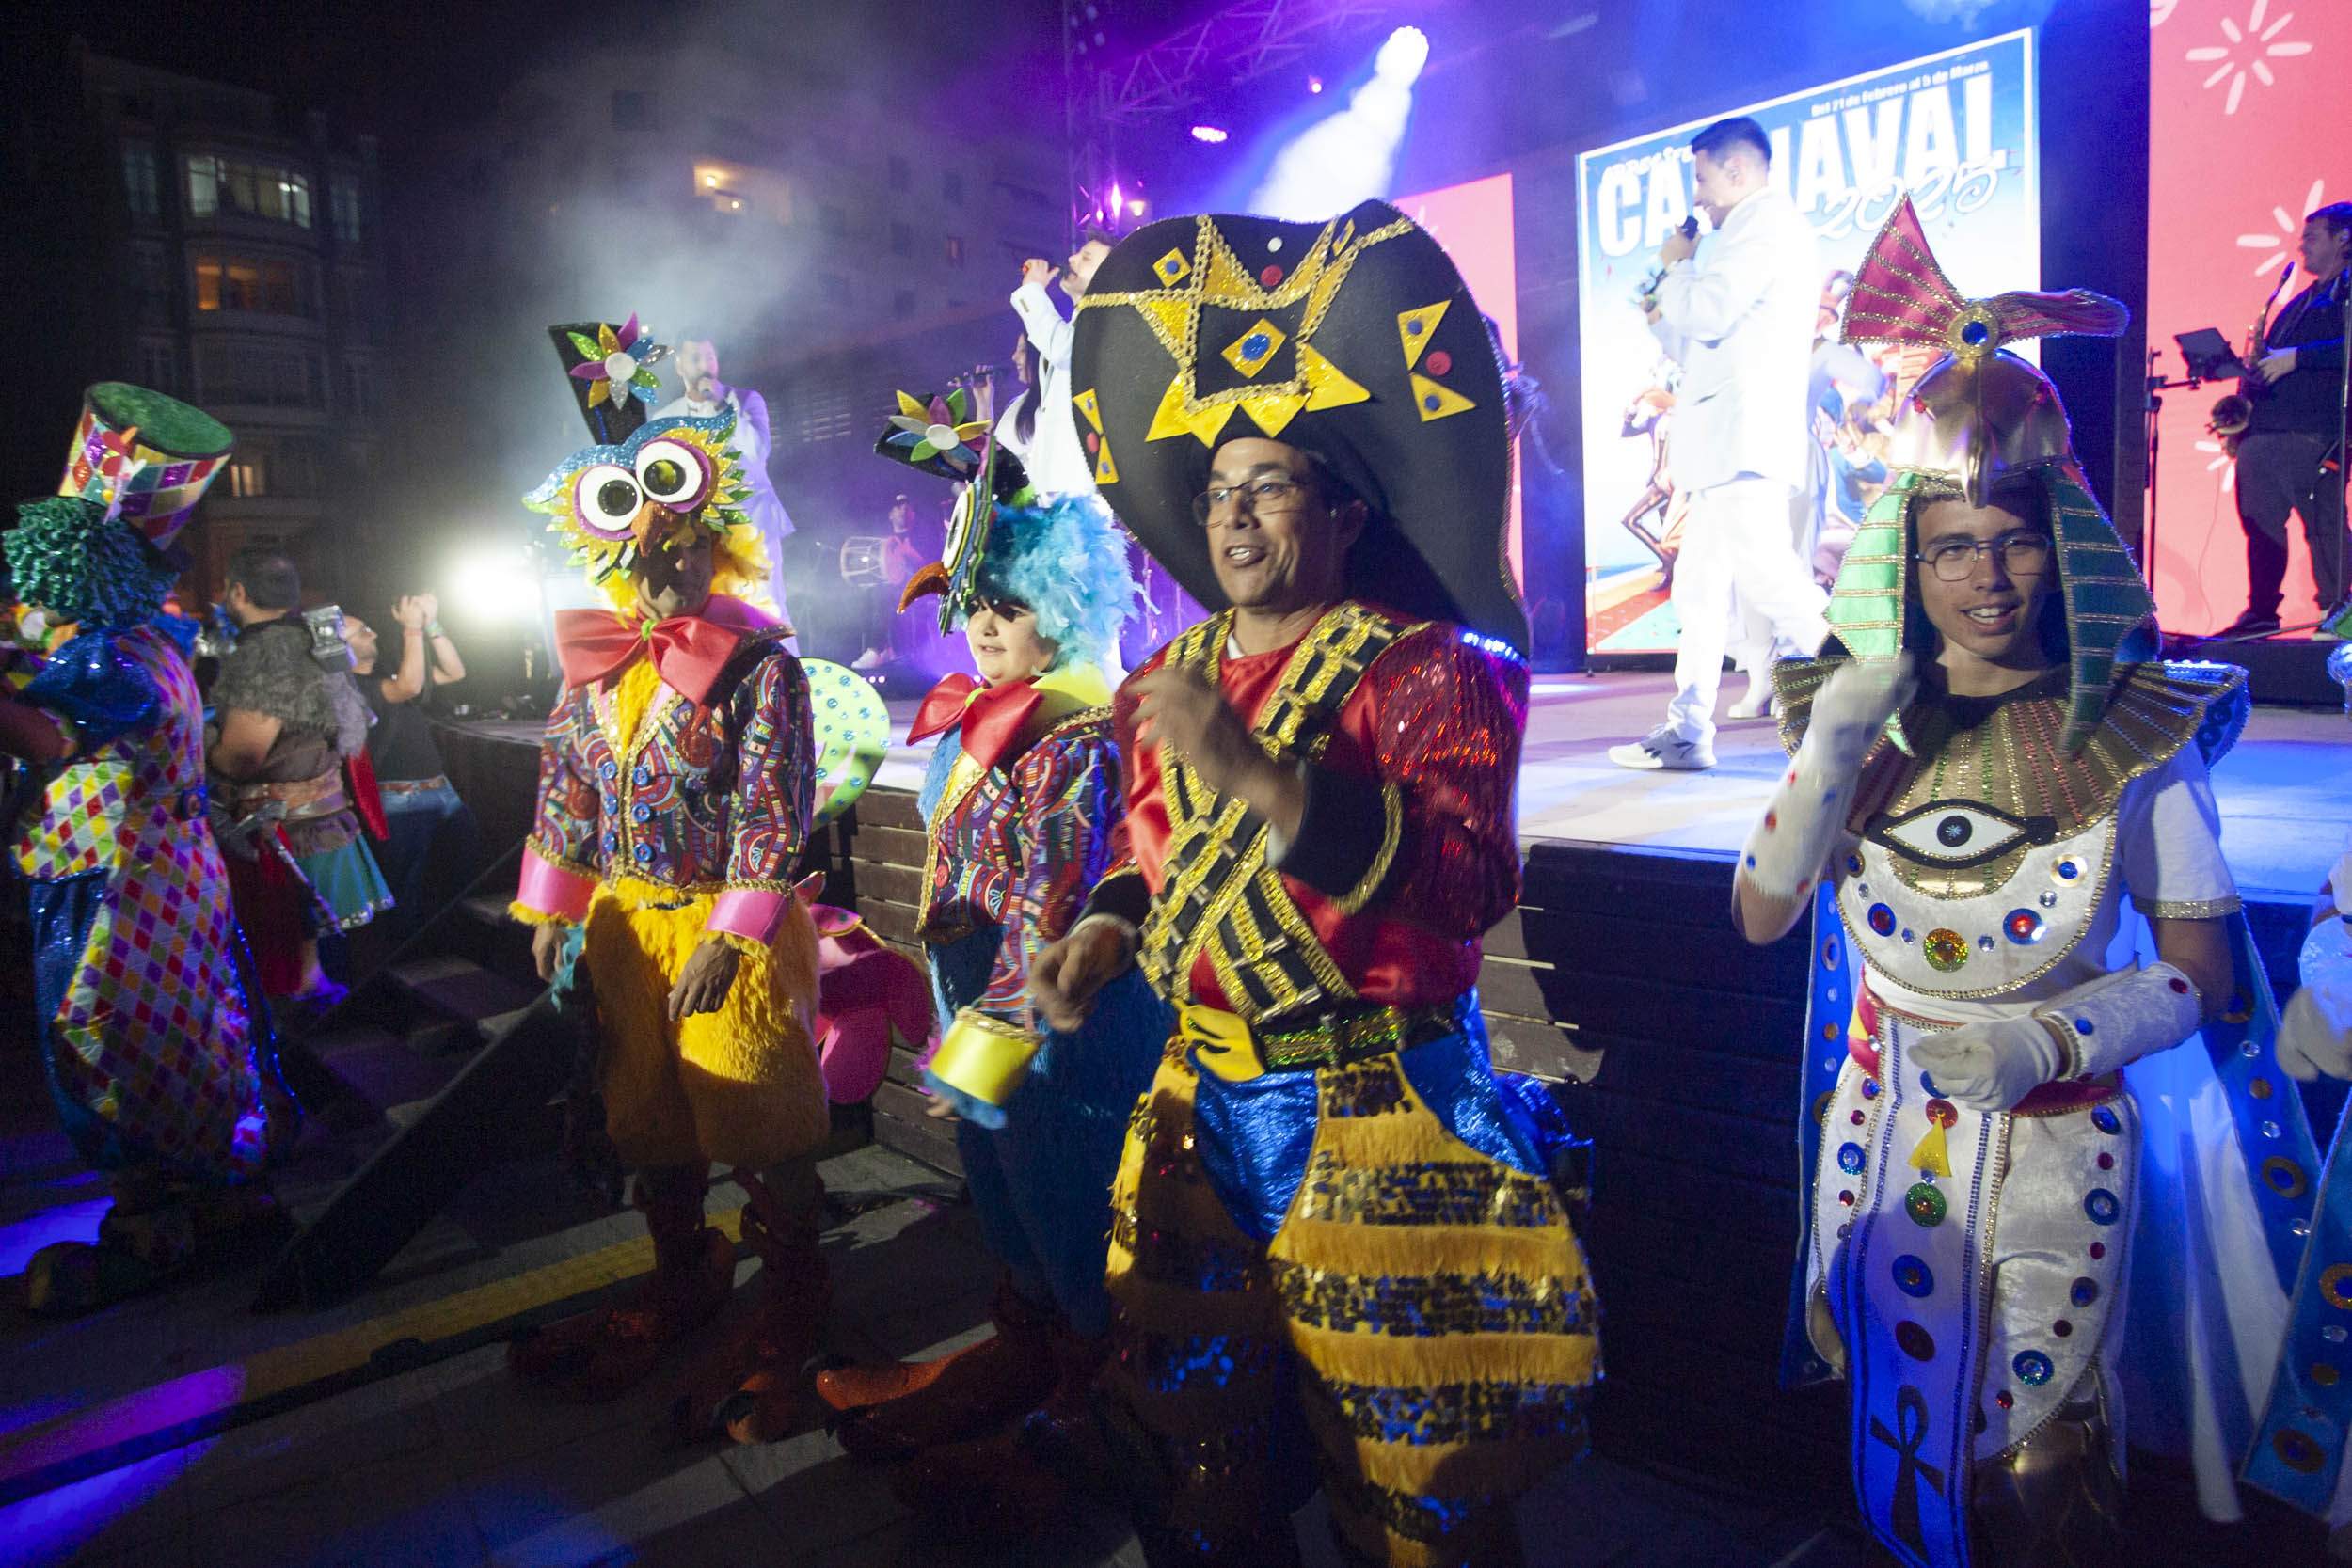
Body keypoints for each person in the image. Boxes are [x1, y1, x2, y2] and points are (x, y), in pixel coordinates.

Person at [1737, 196, 2323, 1564]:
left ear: (2063, 543)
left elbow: (2203, 973)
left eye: (2014, 536)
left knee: (2043, 1465)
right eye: (1953, 543)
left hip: (2064, 1145)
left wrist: (2047, 1038)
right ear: (1909, 553)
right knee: (1903, 1451)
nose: (1988, 574)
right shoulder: (1856, 720)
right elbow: (1761, 915)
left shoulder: (2137, 728)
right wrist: (1828, 753)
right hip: (1878, 1137)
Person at [1035, 201, 1598, 1567]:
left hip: (1381, 1113)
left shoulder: (1434, 667)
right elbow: (1150, 854)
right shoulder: (1164, 680)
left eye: (1271, 485)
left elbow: (1467, 878)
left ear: (1345, 511)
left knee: (1418, 1485)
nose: (1234, 514)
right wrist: (1106, 925)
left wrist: (1269, 781)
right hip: (1198, 1106)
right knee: (1198, 1460)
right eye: (1217, 490)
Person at [814, 416, 1168, 1522]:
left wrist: (978, 1046)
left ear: (1063, 604)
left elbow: (1049, 910)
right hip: (981, 1011)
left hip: (1054, 1032)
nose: (980, 624)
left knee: (1069, 1204)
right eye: (970, 602)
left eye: (1007, 604)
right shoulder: (993, 722)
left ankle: (1093, 1408)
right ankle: (1025, 1354)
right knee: (1008, 1199)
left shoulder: (1075, 734)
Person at [505, 314, 831, 1446]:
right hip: (623, 931)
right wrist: (552, 907)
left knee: (758, 1117)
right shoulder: (589, 669)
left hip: (721, 934)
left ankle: (796, 1298)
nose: (661, 566)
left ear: (718, 547)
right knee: (649, 1117)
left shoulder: (760, 668)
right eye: (642, 551)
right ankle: (685, 1268)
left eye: (684, 546)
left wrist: (732, 936)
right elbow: (565, 789)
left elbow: (775, 812)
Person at [7, 384, 295, 1312]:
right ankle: (214, 1194)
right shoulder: (136, 641)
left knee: (120, 1034)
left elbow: (47, 738)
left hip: (126, 891)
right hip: (146, 874)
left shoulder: (119, 660)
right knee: (176, 1026)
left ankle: (170, 1212)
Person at [1609, 116, 1827, 771]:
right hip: (1722, 446)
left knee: (1767, 574)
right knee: (1699, 592)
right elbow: (1699, 344)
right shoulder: (1749, 232)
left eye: (1702, 179)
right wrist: (1659, 310)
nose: (1698, 197)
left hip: (1743, 442)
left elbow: (1707, 310)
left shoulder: (1766, 224)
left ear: (1737, 169)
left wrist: (1677, 266)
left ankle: (1873, 685)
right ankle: (1687, 731)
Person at [208, 546, 392, 1004]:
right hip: (317, 821)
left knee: (294, 981)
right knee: (322, 968)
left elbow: (242, 757)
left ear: (238, 592)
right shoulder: (313, 642)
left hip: (285, 838)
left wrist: (202, 739)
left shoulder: (268, 654)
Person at [2217, 201, 2350, 638]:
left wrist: (2299, 357)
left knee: (2324, 527)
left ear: (2343, 238)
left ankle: (2339, 612)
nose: (2302, 246)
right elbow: (2268, 361)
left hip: (2317, 432)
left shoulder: (2346, 293)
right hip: (2266, 434)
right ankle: (2261, 612)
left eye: (2312, 236)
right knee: (2260, 526)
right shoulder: (2297, 303)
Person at [342, 595, 475, 942]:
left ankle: (453, 949)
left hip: (441, 792)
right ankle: (407, 965)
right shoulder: (349, 689)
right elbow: (409, 686)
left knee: (462, 877)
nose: (372, 633)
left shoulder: (386, 674)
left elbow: (454, 672)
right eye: (361, 632)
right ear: (342, 650)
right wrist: (412, 628)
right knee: (406, 898)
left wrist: (431, 624)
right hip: (400, 801)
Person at [658, 335, 799, 626]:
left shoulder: (746, 401)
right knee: (713, 610)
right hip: (700, 529)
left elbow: (758, 451)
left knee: (768, 605)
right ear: (679, 366)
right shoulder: (664, 419)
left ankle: (780, 657)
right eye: (696, 358)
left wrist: (722, 407)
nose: (705, 366)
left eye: (710, 357)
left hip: (753, 520)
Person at [1009, 229, 1114, 497]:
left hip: (1083, 495)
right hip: (1054, 490)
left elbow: (1063, 349)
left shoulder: (1110, 325)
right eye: (1078, 254)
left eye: (1086, 258)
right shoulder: (1074, 328)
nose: (1072, 259)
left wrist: (1031, 291)